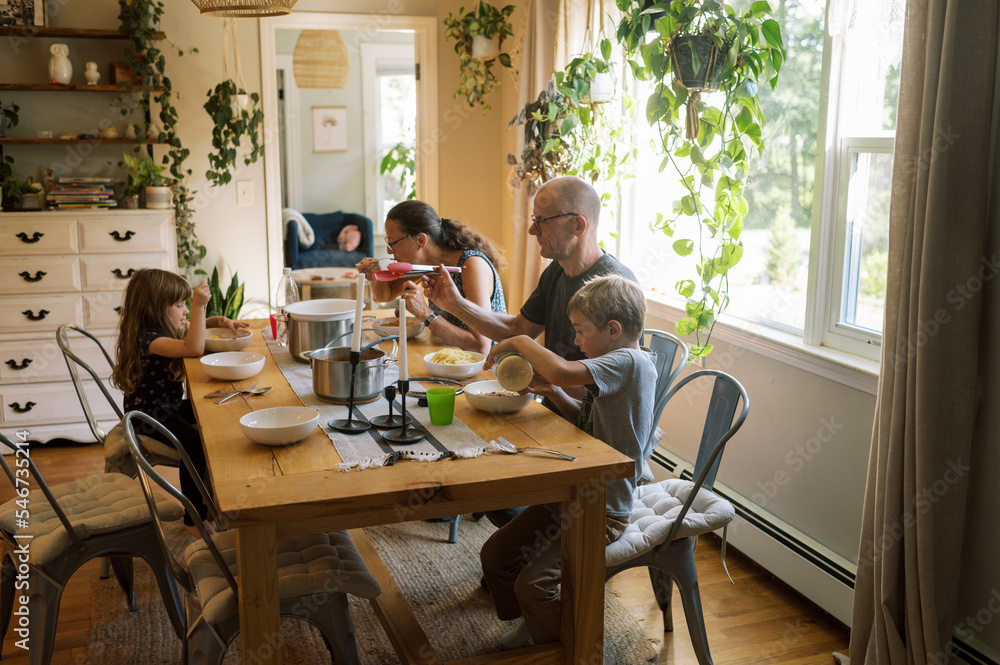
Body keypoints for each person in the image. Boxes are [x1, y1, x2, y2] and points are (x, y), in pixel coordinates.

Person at [479, 274, 657, 651]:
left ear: (613, 330)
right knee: (495, 556)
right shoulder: (615, 363)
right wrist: (555, 392)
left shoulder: (629, 361)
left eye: (581, 330)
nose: (576, 341)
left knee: (533, 584)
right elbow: (587, 423)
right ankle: (536, 622)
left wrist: (521, 341)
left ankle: (566, 647)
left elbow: (560, 368)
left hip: (604, 509)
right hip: (574, 492)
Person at [111, 268, 248, 537]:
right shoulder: (150, 340)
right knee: (194, 443)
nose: (185, 311)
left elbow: (194, 331)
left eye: (186, 304)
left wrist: (217, 320)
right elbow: (193, 348)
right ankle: (193, 517)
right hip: (148, 417)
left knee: (215, 410)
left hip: (167, 408)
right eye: (178, 305)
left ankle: (219, 497)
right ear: (155, 309)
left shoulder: (161, 331)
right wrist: (198, 306)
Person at [356, 200, 506, 356]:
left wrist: (425, 313)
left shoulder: (471, 265)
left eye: (393, 243)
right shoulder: (427, 264)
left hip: (488, 365)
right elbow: (385, 295)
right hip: (450, 357)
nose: (389, 251)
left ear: (420, 241)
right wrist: (374, 275)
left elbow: (481, 347)